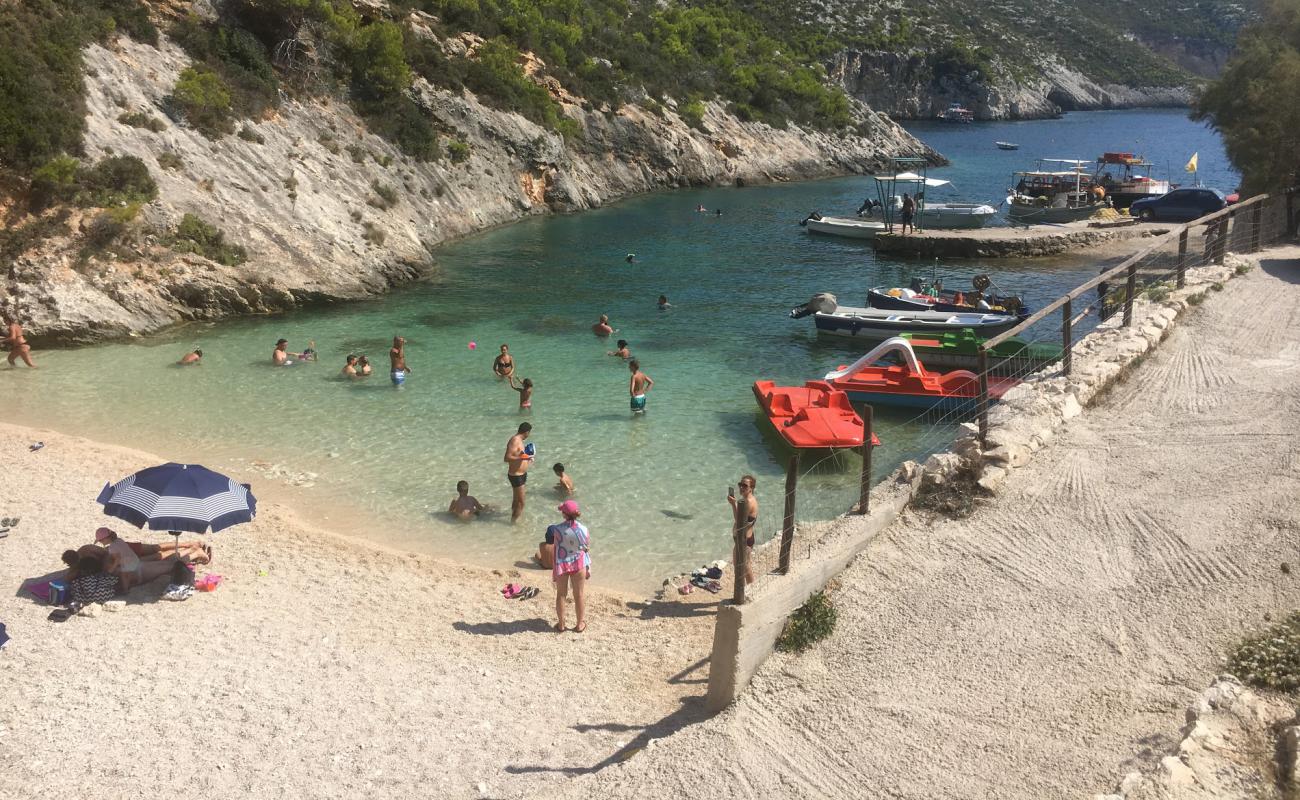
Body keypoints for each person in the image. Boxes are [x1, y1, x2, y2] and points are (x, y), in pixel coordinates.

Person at [548, 500, 590, 633]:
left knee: (561, 595)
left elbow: (556, 545)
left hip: (562, 564)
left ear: (564, 514)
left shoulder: (557, 530)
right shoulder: (584, 529)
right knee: (579, 595)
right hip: (578, 564)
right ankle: (579, 625)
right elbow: (585, 547)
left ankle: (561, 624)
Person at [96, 527, 180, 591]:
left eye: (100, 540)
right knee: (163, 564)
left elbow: (117, 559)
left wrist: (111, 570)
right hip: (136, 561)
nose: (101, 542)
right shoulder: (119, 540)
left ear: (106, 538)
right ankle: (177, 559)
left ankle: (125, 590)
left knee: (123, 574)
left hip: (130, 567)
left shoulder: (112, 548)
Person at [728, 474, 758, 585]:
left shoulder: (748, 502)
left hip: (744, 541)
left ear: (751, 488)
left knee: (744, 567)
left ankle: (750, 588)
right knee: (741, 566)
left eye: (745, 485)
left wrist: (733, 504)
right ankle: (745, 589)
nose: (741, 487)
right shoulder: (745, 500)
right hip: (742, 539)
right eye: (740, 484)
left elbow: (739, 521)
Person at [504, 422, 533, 524]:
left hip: (521, 474)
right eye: (529, 433)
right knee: (521, 502)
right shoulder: (515, 440)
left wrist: (527, 458)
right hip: (516, 476)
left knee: (516, 500)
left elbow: (519, 455)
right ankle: (513, 523)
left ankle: (513, 516)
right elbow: (507, 458)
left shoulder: (520, 440)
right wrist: (521, 457)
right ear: (527, 432)